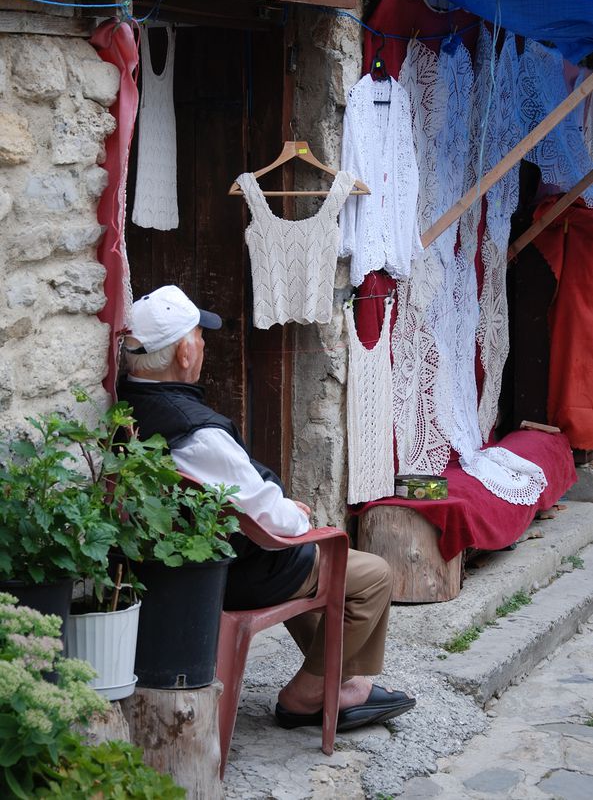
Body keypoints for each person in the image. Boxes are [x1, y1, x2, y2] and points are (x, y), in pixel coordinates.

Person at [118, 285, 416, 731]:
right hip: (231, 572)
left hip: (173, 566)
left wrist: (273, 509)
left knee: (312, 563)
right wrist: (296, 516)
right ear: (183, 352)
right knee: (369, 575)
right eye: (199, 336)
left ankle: (342, 681)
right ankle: (310, 693)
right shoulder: (199, 435)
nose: (202, 345)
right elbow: (271, 519)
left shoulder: (129, 405)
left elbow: (243, 499)